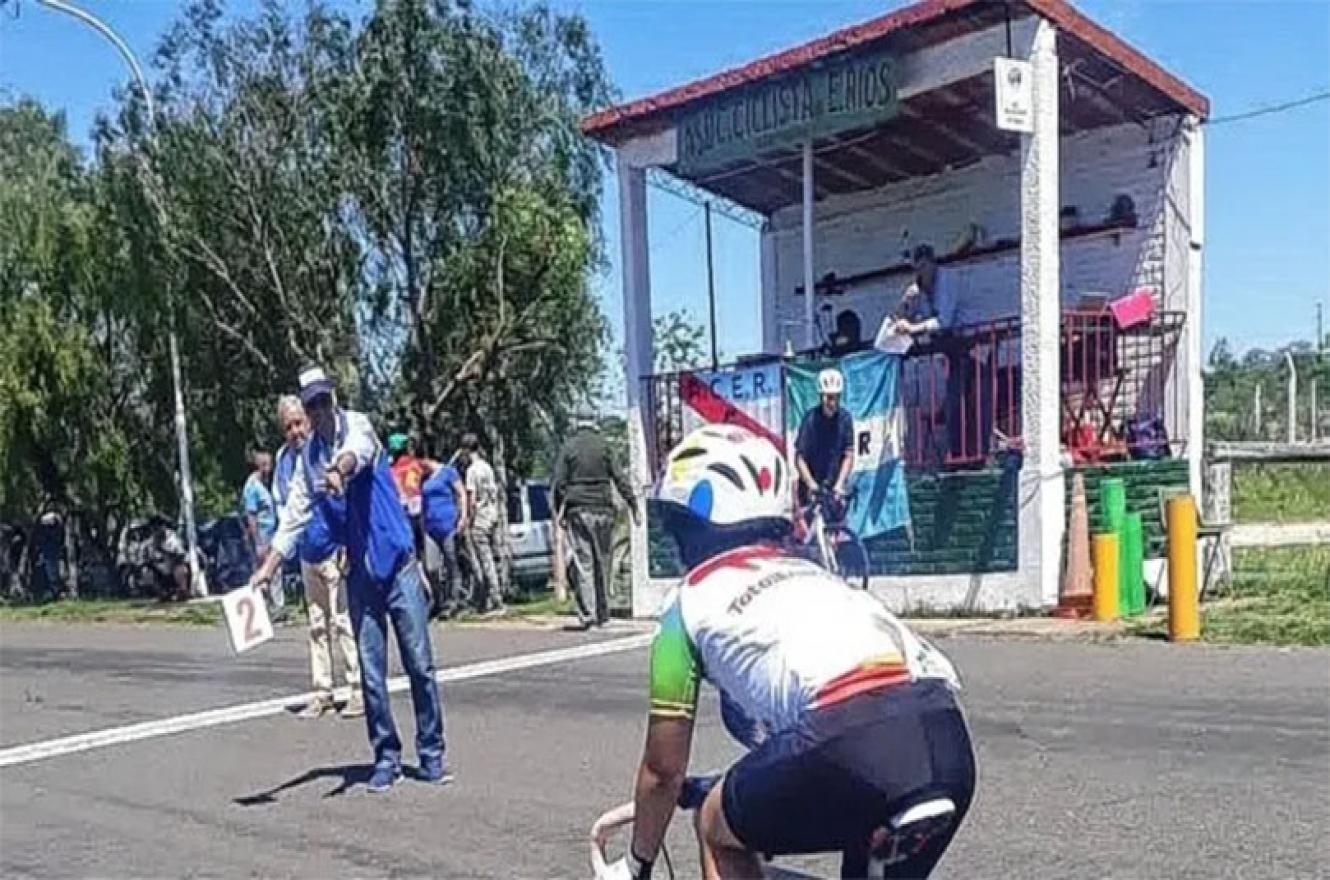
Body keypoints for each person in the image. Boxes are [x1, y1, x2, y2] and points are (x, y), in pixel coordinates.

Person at [604, 425, 975, 880]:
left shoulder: (686, 605)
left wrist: (637, 862)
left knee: (716, 827)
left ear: (688, 525)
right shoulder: (813, 573)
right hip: (945, 740)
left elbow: (663, 772)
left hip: (847, 743)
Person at [249, 366, 450, 793]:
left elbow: (356, 453)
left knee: (420, 665)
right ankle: (387, 756)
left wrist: (340, 471)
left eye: (323, 402)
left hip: (399, 566)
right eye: (311, 406)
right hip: (359, 573)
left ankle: (431, 753)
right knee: (372, 674)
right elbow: (293, 518)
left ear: (333, 400)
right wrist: (266, 570)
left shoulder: (358, 425)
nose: (319, 412)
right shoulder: (306, 461)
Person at [272, 395, 363, 720]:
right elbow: (287, 510)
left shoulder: (325, 450)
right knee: (316, 625)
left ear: (308, 420)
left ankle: (357, 688)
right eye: (288, 426)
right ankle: (322, 691)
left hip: (333, 547)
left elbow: (342, 500)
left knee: (343, 622)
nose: (295, 431)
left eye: (299, 423)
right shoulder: (284, 460)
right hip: (306, 551)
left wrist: (344, 541)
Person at [551, 408, 639, 629]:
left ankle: (588, 614)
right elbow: (619, 477)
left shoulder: (569, 446)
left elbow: (559, 483)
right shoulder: (605, 446)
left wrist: (560, 510)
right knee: (604, 561)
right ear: (595, 422)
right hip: (604, 509)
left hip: (579, 509)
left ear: (576, 423)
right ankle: (603, 613)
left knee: (584, 562)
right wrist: (633, 504)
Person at [794, 368, 855, 522]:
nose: (832, 403)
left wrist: (840, 485)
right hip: (811, 485)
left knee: (835, 532)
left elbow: (848, 455)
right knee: (810, 533)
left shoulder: (845, 419)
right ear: (821, 397)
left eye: (836, 398)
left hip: (833, 485)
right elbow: (800, 458)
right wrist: (811, 484)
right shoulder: (810, 420)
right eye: (829, 398)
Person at [458, 433, 504, 614]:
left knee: (483, 560)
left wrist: (468, 519)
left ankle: (493, 598)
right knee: (490, 557)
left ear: (466, 450)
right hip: (492, 515)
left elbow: (472, 498)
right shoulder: (487, 467)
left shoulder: (472, 471)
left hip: (481, 518)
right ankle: (486, 598)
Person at [420, 455, 470, 619]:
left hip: (448, 524)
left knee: (451, 563)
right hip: (430, 527)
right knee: (431, 567)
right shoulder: (423, 478)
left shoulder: (448, 472)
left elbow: (461, 493)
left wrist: (463, 517)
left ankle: (453, 601)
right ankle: (438, 599)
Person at [242, 451, 281, 617]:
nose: (270, 469)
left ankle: (273, 606)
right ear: (260, 466)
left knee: (272, 569)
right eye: (267, 465)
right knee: (268, 569)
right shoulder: (252, 487)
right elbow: (251, 515)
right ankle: (270, 607)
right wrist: (257, 541)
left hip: (271, 532)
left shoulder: (263, 485)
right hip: (262, 535)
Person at [388, 432, 427, 559]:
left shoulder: (390, 471)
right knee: (423, 549)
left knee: (411, 550)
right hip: (420, 509)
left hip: (403, 512)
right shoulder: (417, 464)